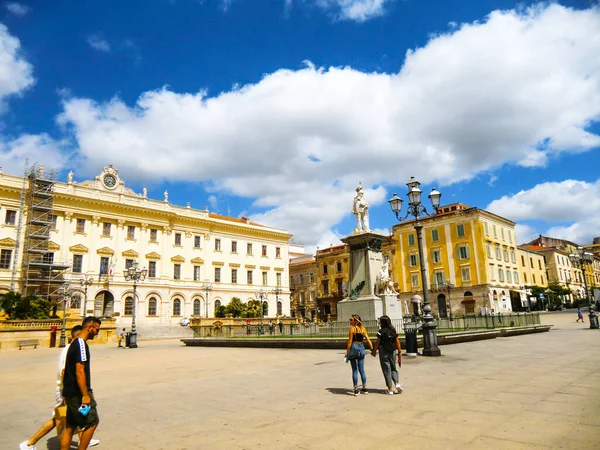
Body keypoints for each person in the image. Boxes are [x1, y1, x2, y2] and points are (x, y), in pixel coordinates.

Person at [20, 325, 100, 450]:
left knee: (71, 423)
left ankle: (84, 439)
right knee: (61, 419)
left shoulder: (69, 348)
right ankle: (30, 442)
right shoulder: (73, 349)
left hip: (66, 390)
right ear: (78, 335)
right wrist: (71, 394)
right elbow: (67, 372)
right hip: (67, 390)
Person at [60, 316, 102, 450]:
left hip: (70, 392)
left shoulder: (73, 343)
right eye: (97, 330)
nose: (97, 333)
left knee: (70, 427)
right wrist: (85, 394)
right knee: (92, 422)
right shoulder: (81, 345)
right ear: (90, 328)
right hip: (78, 394)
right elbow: (80, 370)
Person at [371, 315, 403, 395]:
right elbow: (397, 341)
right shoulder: (393, 330)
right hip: (392, 350)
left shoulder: (381, 331)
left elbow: (378, 342)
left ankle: (390, 389)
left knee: (386, 369)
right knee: (393, 367)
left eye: (380, 322)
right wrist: (399, 351)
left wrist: (374, 351)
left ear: (382, 323)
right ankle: (397, 383)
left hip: (383, 350)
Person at [344, 314, 373, 396]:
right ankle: (364, 387)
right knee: (362, 369)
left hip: (354, 348)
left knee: (355, 370)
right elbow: (368, 339)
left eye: (351, 320)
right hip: (362, 348)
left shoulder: (352, 329)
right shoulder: (363, 329)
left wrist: (347, 352)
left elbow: (350, 341)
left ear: (355, 321)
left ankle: (356, 389)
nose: (350, 321)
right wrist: (372, 348)